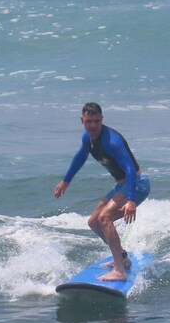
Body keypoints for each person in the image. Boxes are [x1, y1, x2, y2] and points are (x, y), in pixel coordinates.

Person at [54, 102, 150, 282]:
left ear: (102, 120)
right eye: (89, 121)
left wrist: (131, 200)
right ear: (82, 120)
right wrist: (66, 180)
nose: (92, 125)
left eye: (96, 121)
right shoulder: (87, 139)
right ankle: (121, 257)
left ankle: (119, 271)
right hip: (121, 185)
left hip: (136, 184)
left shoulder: (111, 141)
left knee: (104, 218)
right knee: (93, 222)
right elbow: (80, 157)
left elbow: (130, 169)